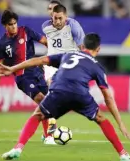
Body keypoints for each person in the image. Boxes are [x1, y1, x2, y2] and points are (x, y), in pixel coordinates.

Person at [0, 33, 130, 161]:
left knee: (37, 115)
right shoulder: (97, 67)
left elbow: (40, 60)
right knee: (101, 118)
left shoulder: (67, 55)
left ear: (82, 46)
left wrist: (13, 68)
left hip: (58, 90)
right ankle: (124, 155)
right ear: (98, 49)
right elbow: (108, 98)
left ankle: (18, 148)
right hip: (80, 94)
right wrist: (120, 123)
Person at [0, 9, 56, 145]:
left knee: (48, 103)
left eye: (15, 23)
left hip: (37, 71)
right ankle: (49, 136)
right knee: (42, 100)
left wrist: (55, 54)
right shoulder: (1, 44)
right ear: (5, 26)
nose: (14, 26)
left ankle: (46, 136)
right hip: (22, 77)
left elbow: (45, 41)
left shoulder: (26, 31)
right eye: (10, 24)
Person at [41, 2, 86, 142]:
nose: (56, 20)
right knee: (51, 85)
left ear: (65, 16)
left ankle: (54, 116)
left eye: (60, 17)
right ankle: (52, 122)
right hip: (52, 64)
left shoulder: (73, 26)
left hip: (69, 64)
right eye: (50, 11)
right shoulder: (45, 26)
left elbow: (82, 47)